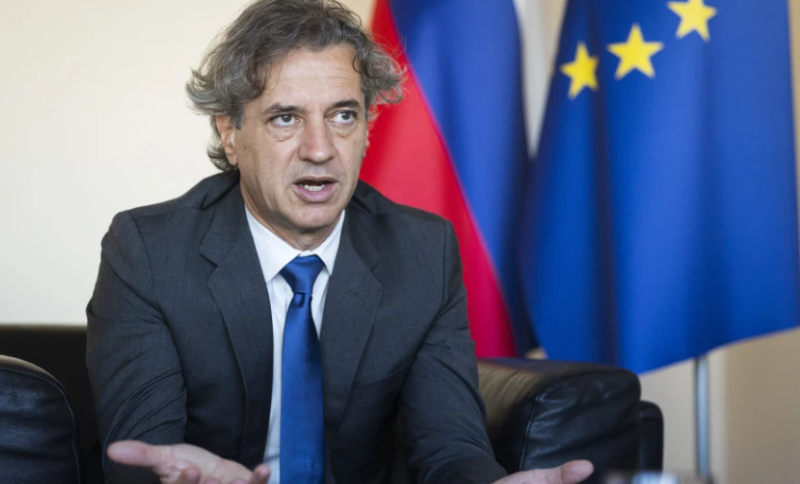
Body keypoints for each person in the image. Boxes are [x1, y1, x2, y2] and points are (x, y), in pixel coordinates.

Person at [86, 1, 594, 483]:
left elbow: (450, 448)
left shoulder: (423, 252)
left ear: (369, 127)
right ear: (230, 134)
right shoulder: (149, 252)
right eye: (285, 118)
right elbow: (140, 454)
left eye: (343, 115)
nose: (320, 149)